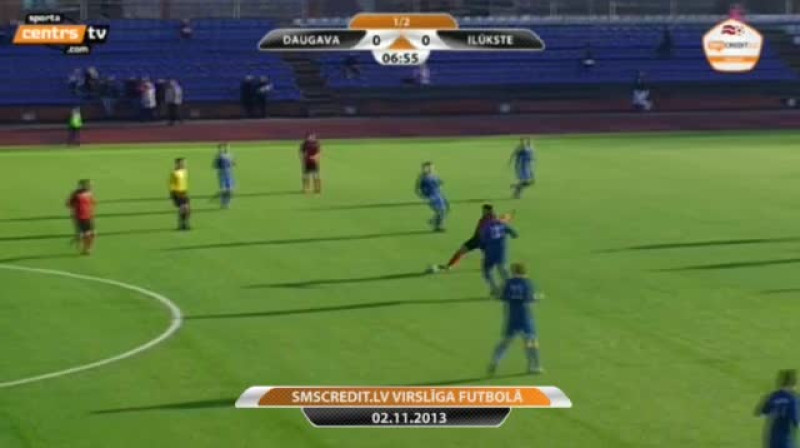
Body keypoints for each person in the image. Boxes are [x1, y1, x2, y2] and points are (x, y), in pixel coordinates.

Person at [488, 262, 543, 375]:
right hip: (525, 315)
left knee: (506, 341)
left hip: (512, 315)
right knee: (531, 341)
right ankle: (534, 366)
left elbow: (500, 296)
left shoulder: (508, 282)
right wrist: (538, 298)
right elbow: (530, 298)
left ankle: (495, 360)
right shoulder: (527, 282)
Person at [438, 204, 514, 271]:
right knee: (461, 250)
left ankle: (497, 266)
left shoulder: (493, 219)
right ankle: (449, 266)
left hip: (485, 241)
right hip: (476, 239)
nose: (482, 211)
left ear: (488, 210)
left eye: (483, 210)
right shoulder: (486, 217)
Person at [757, 369, 798, 448]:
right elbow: (795, 421)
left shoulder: (773, 396)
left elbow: (761, 411)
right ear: (793, 384)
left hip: (772, 440)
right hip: (787, 442)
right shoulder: (793, 399)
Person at [480, 214, 518, 297]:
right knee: (503, 271)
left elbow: (482, 241)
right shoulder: (503, 226)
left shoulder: (486, 227)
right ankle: (511, 289)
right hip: (501, 253)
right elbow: (515, 235)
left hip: (489, 253)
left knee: (487, 271)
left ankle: (495, 289)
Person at [415, 161, 448, 232]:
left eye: (431, 167)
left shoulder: (434, 175)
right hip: (430, 196)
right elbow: (417, 189)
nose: (430, 169)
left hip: (438, 196)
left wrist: (440, 190)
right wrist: (423, 197)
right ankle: (436, 224)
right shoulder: (422, 177)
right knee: (439, 210)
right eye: (428, 167)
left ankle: (435, 224)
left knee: (443, 210)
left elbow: (440, 184)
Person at [66, 179, 96, 255]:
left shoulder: (90, 193)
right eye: (88, 185)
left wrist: (92, 214)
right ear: (83, 186)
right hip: (81, 217)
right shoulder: (76, 194)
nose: (90, 186)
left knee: (93, 234)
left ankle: (87, 248)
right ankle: (85, 249)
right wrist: (73, 214)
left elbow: (92, 203)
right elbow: (68, 204)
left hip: (89, 216)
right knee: (87, 234)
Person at [169, 158, 191, 230]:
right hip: (177, 193)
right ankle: (182, 224)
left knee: (187, 209)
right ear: (178, 164)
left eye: (184, 163)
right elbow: (171, 184)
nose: (184, 164)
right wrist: (173, 195)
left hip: (184, 192)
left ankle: (185, 223)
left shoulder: (185, 171)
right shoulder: (174, 173)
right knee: (182, 209)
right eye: (182, 163)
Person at [213, 143, 235, 208]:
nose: (226, 149)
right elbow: (215, 165)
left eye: (227, 147)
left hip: (229, 173)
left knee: (229, 189)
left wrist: (231, 166)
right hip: (222, 173)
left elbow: (233, 164)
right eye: (225, 147)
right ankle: (223, 203)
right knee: (223, 189)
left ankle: (227, 202)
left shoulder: (230, 155)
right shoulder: (219, 156)